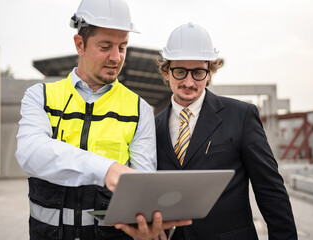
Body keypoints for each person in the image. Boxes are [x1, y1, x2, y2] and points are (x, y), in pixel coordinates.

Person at [15, 1, 190, 239]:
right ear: (80, 44)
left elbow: (141, 186)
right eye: (105, 46)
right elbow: (31, 151)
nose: (116, 57)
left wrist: (146, 224)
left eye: (122, 47)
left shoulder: (139, 109)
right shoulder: (41, 96)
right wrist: (107, 169)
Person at [155, 23, 298, 240]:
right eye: (180, 71)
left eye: (199, 72)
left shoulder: (241, 116)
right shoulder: (153, 127)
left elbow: (270, 190)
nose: (189, 82)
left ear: (210, 73)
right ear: (166, 72)